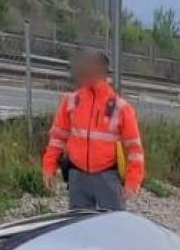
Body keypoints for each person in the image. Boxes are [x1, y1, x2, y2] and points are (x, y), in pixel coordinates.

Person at [42, 49, 145, 210]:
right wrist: (49, 165)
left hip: (107, 176)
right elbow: (57, 138)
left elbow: (134, 150)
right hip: (78, 176)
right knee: (81, 228)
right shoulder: (71, 101)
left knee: (112, 228)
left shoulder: (120, 108)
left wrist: (133, 181)